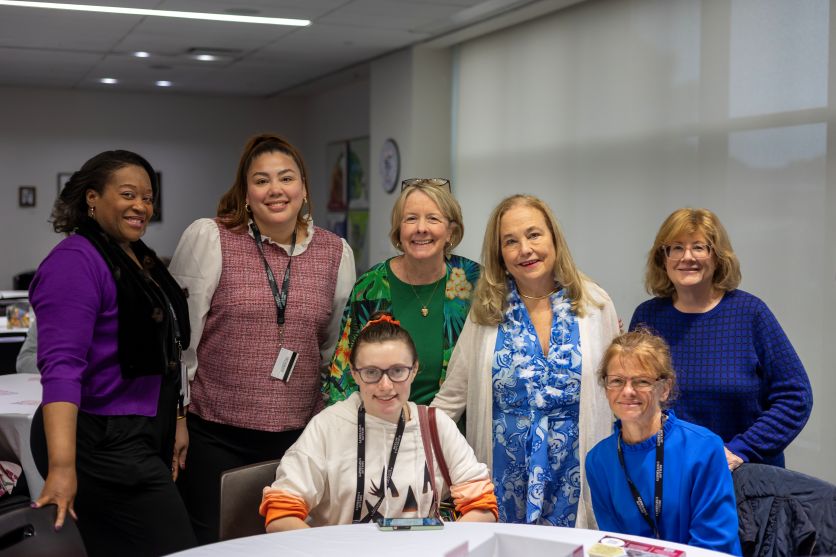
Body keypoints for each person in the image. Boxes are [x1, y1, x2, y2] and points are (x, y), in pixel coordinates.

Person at [169, 133, 355, 544]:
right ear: (245, 192)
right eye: (262, 180)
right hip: (216, 433)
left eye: (286, 178)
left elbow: (332, 348)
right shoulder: (211, 237)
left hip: (300, 439)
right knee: (215, 543)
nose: (276, 190)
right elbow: (179, 343)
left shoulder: (334, 251)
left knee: (289, 545)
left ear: (304, 188)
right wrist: (177, 417)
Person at [29, 150, 196, 556]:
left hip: (139, 433)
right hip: (100, 441)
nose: (141, 206)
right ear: (92, 198)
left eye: (148, 197)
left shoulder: (136, 258)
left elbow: (167, 352)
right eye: (128, 194)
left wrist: (175, 419)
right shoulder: (75, 262)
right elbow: (62, 369)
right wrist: (62, 467)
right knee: (178, 548)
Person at [432, 194, 619, 527]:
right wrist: (405, 447)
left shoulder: (595, 305)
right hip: (502, 480)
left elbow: (618, 392)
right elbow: (452, 398)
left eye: (534, 235)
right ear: (500, 255)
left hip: (576, 479)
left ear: (553, 239)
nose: (525, 249)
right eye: (510, 241)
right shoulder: (486, 313)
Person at [260, 313, 497, 530]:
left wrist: (444, 549)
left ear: (414, 370)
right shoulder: (328, 427)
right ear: (354, 373)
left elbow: (483, 507)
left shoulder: (436, 425)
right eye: (371, 372)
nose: (385, 386)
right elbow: (280, 515)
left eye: (397, 371)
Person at [630, 208, 812, 469]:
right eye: (677, 247)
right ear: (664, 258)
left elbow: (796, 396)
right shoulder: (648, 317)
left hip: (744, 474)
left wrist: (741, 450)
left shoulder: (750, 314)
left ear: (717, 257)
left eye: (699, 247)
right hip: (671, 474)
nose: (687, 257)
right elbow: (633, 395)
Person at [585, 330, 741, 554]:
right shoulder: (598, 460)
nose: (627, 391)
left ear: (664, 389)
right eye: (617, 381)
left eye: (641, 381)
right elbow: (615, 547)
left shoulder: (704, 449)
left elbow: (714, 545)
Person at [325, 178, 479, 406]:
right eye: (411, 219)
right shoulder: (372, 285)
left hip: (456, 433)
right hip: (383, 426)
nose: (421, 228)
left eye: (433, 218)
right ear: (399, 231)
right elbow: (344, 374)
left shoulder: (475, 281)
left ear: (450, 232)